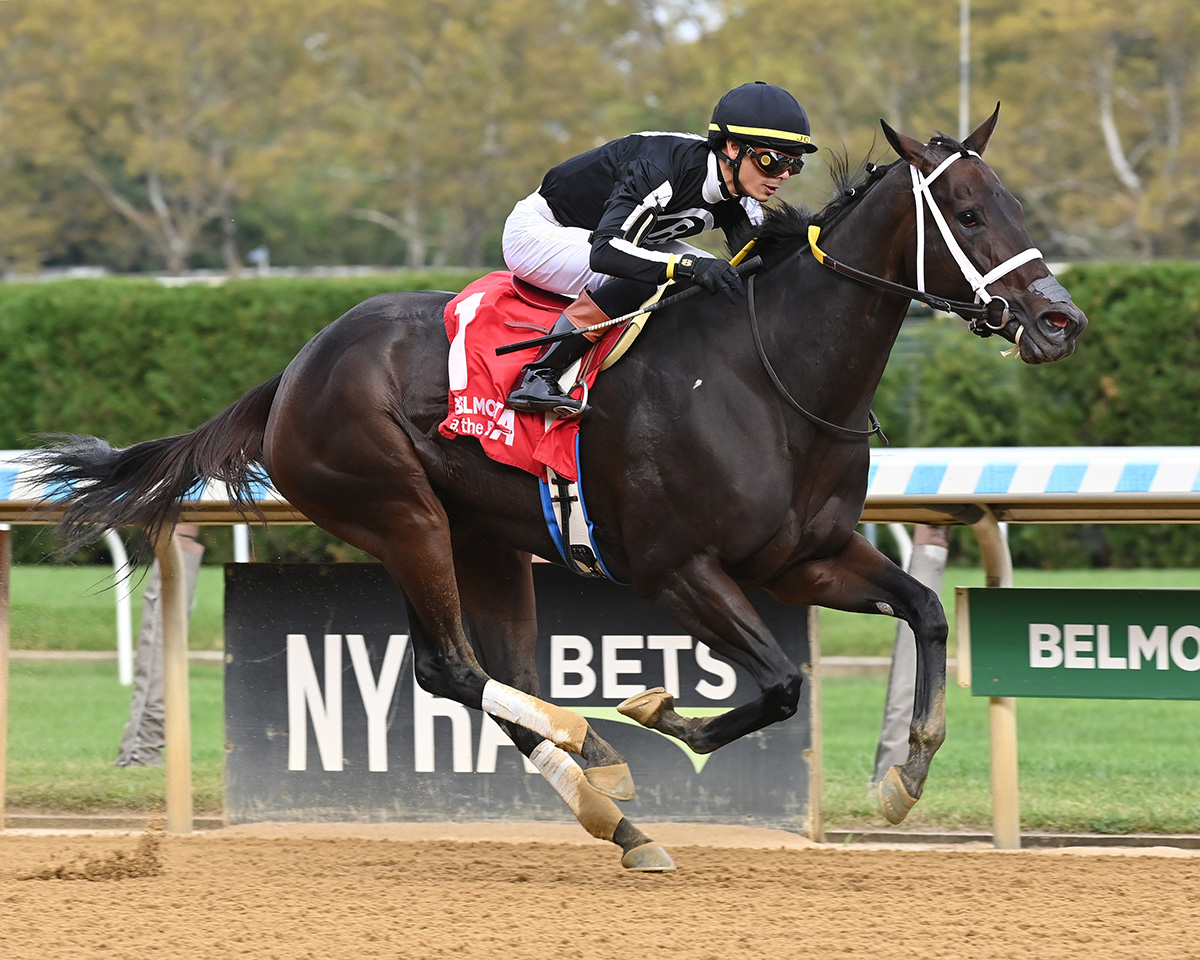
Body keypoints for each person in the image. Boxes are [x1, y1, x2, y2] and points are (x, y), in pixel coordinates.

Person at [502, 80, 818, 416]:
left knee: (722, 283)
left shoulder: (744, 199)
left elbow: (762, 270)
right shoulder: (660, 168)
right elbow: (606, 253)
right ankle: (539, 376)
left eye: (793, 165)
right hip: (542, 232)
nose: (783, 175)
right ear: (732, 148)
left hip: (621, 238)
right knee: (657, 275)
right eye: (772, 161)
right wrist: (686, 267)